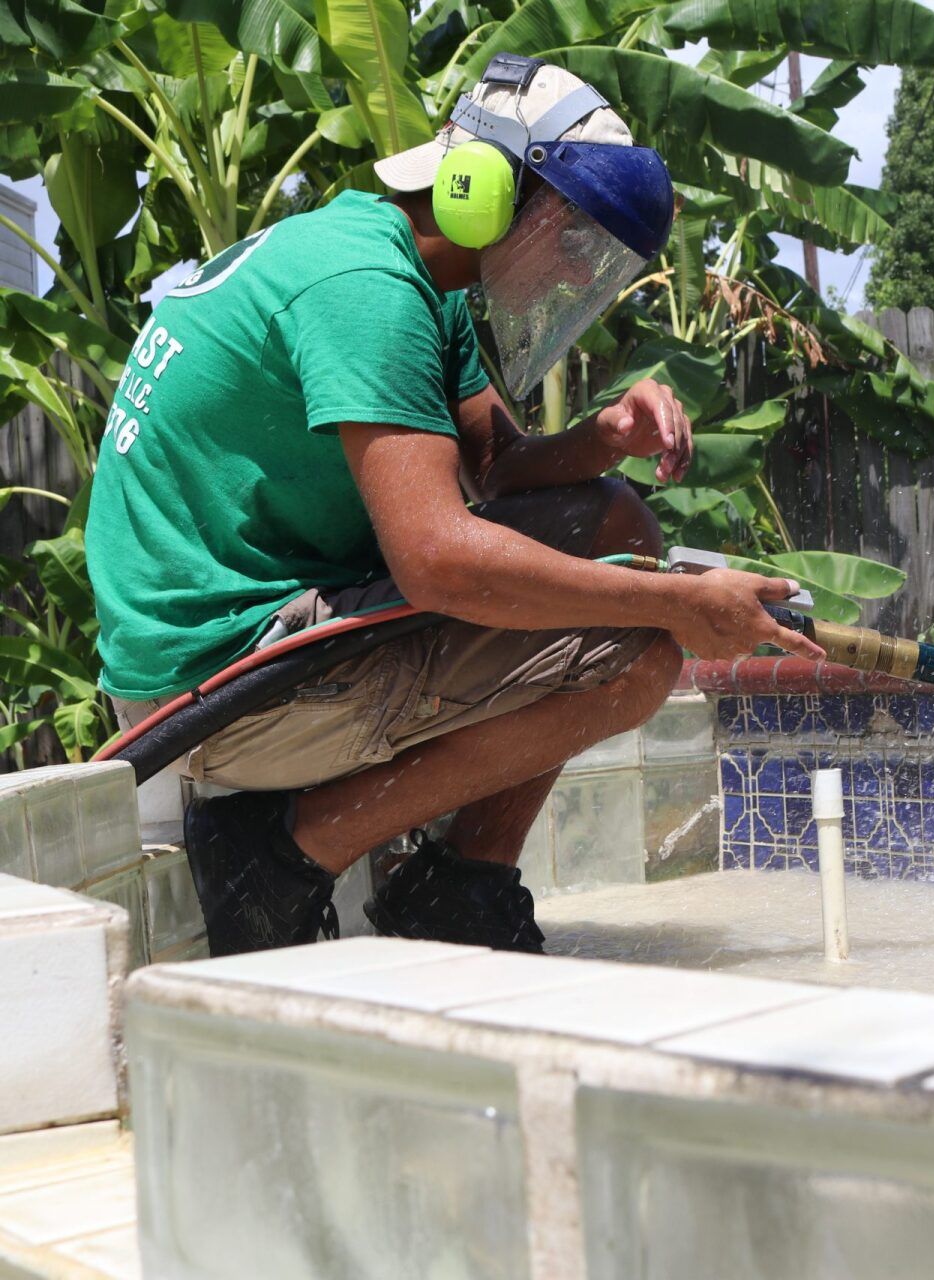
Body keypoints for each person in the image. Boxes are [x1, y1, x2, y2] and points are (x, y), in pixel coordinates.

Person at [86, 55, 823, 958]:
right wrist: (677, 602)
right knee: (638, 652)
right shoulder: (363, 289)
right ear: (483, 187)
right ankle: (281, 856)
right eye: (571, 233)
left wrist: (602, 436)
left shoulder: (404, 272)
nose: (572, 266)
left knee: (618, 525)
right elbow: (436, 559)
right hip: (212, 690)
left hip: (268, 639)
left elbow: (495, 468)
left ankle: (459, 886)